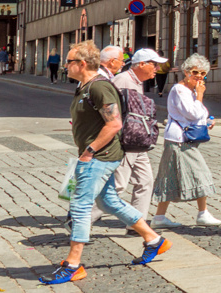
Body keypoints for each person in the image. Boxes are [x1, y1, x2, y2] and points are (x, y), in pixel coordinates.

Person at [41, 42, 169, 284]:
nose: (64, 66)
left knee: (80, 206)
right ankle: (153, 239)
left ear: (82, 64)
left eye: (69, 62)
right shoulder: (84, 86)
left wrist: (89, 150)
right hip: (95, 154)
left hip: (99, 156)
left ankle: (73, 265)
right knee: (108, 201)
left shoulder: (99, 87)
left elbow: (115, 124)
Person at [150, 55, 221, 228]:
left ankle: (159, 217)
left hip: (180, 139)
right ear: (186, 72)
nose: (199, 76)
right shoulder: (180, 90)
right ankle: (202, 213)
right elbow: (192, 114)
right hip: (180, 140)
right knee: (200, 172)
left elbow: (199, 115)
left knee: (169, 177)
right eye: (195, 72)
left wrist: (208, 121)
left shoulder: (190, 91)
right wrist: (201, 95)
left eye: (203, 73)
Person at [110, 47, 164, 213]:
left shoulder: (137, 82)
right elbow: (110, 109)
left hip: (139, 142)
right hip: (125, 142)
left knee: (145, 182)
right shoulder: (122, 80)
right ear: (141, 64)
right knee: (118, 186)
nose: (157, 69)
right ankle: (80, 221)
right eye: (154, 64)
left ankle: (136, 223)